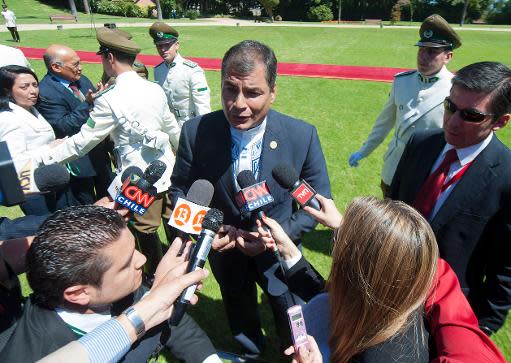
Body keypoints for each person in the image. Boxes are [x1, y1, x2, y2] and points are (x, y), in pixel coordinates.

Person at [170, 40, 331, 356]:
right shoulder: (195, 131)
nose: (238, 104)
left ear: (273, 91)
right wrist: (208, 228)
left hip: (281, 256)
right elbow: (179, 191)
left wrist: (280, 235)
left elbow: (318, 201)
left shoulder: (301, 135)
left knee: (291, 314)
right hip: (226, 254)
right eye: (230, 89)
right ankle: (250, 353)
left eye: (252, 93)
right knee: (238, 308)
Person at [258, 196, 506, 363]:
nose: (336, 245)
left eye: (342, 243)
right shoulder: (399, 297)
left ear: (363, 277)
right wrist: (290, 253)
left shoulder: (380, 357)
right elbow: (337, 300)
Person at [34, 28, 181, 275]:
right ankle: (181, 272)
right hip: (169, 171)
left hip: (138, 179)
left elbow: (82, 142)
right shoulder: (153, 88)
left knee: (144, 231)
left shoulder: (108, 98)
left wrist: (43, 157)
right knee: (175, 225)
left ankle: (156, 279)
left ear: (109, 58)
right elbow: (173, 130)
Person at [0, 205, 220, 362]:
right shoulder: (36, 351)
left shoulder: (116, 290)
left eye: (134, 249)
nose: (142, 260)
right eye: (125, 265)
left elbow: (178, 327)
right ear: (78, 294)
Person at [390, 61, 511, 334]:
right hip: (388, 287)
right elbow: (393, 209)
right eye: (450, 107)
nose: (453, 122)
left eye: (471, 115)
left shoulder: (506, 177)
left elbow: (503, 274)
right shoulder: (420, 143)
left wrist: (475, 333)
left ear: (501, 122)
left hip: (443, 313)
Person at [348, 14, 461, 197]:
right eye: (421, 50)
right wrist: (364, 151)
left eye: (431, 52)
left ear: (448, 56)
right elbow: (383, 123)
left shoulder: (456, 89)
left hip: (427, 171)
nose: (423, 57)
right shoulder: (402, 81)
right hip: (394, 166)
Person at [38, 44, 113, 204]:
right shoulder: (45, 92)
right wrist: (88, 103)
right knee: (86, 211)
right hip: (78, 165)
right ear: (56, 67)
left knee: (110, 204)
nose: (81, 68)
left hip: (99, 157)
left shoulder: (81, 80)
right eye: (75, 65)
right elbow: (62, 126)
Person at [0, 65, 80, 215]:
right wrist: (49, 149)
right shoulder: (8, 119)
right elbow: (16, 164)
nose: (33, 91)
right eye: (24, 87)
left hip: (53, 181)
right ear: (7, 90)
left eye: (35, 85)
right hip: (35, 188)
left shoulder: (31, 109)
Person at [150, 22, 211, 126]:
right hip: (168, 127)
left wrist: (202, 130)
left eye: (167, 45)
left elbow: (202, 105)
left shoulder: (192, 70)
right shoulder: (158, 70)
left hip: (190, 125)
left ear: (177, 45)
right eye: (159, 46)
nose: (163, 49)